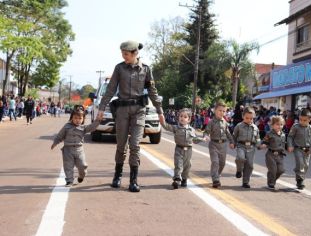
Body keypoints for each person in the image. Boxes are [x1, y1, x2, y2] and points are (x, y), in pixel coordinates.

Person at [96, 40, 164, 192]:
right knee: (121, 145)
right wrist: (101, 108)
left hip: (139, 111)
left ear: (135, 54)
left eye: (126, 54)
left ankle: (133, 180)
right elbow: (111, 89)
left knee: (135, 145)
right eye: (122, 53)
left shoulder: (146, 69)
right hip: (122, 111)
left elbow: (153, 91)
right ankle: (117, 175)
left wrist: (160, 111)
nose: (123, 56)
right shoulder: (119, 68)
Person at [51, 105, 101, 186]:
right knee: (68, 166)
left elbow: (92, 127)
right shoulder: (67, 126)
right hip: (67, 150)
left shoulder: (83, 128)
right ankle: (69, 181)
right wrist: (55, 142)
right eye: (75, 118)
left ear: (83, 119)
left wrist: (98, 121)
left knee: (82, 165)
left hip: (79, 150)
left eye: (80, 118)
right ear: (71, 118)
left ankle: (82, 175)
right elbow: (60, 135)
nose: (77, 120)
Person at [161, 108, 204, 189]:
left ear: (189, 119)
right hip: (179, 149)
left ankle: (184, 179)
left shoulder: (192, 130)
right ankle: (177, 180)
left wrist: (202, 139)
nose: (182, 118)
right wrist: (162, 120)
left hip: (188, 150)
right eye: (181, 116)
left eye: (185, 117)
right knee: (178, 164)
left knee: (187, 166)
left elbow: (195, 140)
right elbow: (166, 127)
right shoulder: (176, 128)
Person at [204, 101, 235, 188]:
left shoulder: (224, 122)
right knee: (215, 161)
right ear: (215, 110)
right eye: (220, 110)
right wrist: (206, 136)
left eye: (223, 111)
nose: (222, 112)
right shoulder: (211, 122)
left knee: (222, 163)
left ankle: (217, 174)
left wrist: (232, 142)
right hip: (214, 144)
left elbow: (228, 133)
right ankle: (215, 179)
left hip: (223, 145)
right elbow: (206, 132)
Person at [287, 108, 311, 190]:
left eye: (304, 120)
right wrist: (290, 145)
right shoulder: (295, 127)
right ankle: (300, 181)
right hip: (298, 148)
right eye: (300, 119)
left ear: (309, 119)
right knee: (300, 163)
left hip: (307, 150)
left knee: (306, 165)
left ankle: (300, 178)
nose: (302, 122)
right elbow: (290, 137)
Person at [232, 107, 261, 188]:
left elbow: (258, 138)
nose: (249, 120)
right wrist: (233, 143)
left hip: (251, 147)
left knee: (250, 165)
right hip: (241, 145)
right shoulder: (239, 126)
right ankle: (239, 170)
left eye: (251, 118)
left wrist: (259, 144)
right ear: (243, 116)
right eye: (247, 118)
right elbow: (234, 136)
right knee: (240, 158)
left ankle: (245, 182)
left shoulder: (255, 127)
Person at [260, 116, 286, 190]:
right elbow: (264, 141)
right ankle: (271, 183)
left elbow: (284, 144)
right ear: (272, 125)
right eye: (277, 124)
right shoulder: (269, 134)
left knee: (281, 170)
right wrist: (264, 144)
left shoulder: (283, 134)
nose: (279, 126)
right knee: (273, 170)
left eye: (281, 124)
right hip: (270, 155)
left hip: (280, 155)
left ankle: (272, 180)